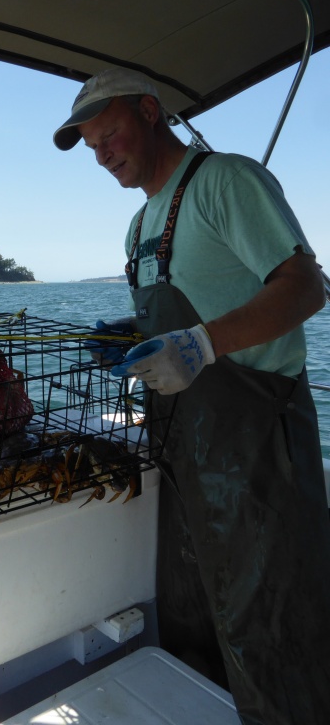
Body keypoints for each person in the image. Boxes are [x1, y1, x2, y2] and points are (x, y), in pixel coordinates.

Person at [54, 67, 330, 725]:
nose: (103, 154)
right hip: (184, 457)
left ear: (151, 111)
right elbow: (179, 319)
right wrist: (136, 337)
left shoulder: (225, 182)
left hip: (259, 450)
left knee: (273, 631)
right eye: (92, 147)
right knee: (196, 618)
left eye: (111, 133)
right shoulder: (139, 226)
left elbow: (305, 286)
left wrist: (200, 347)